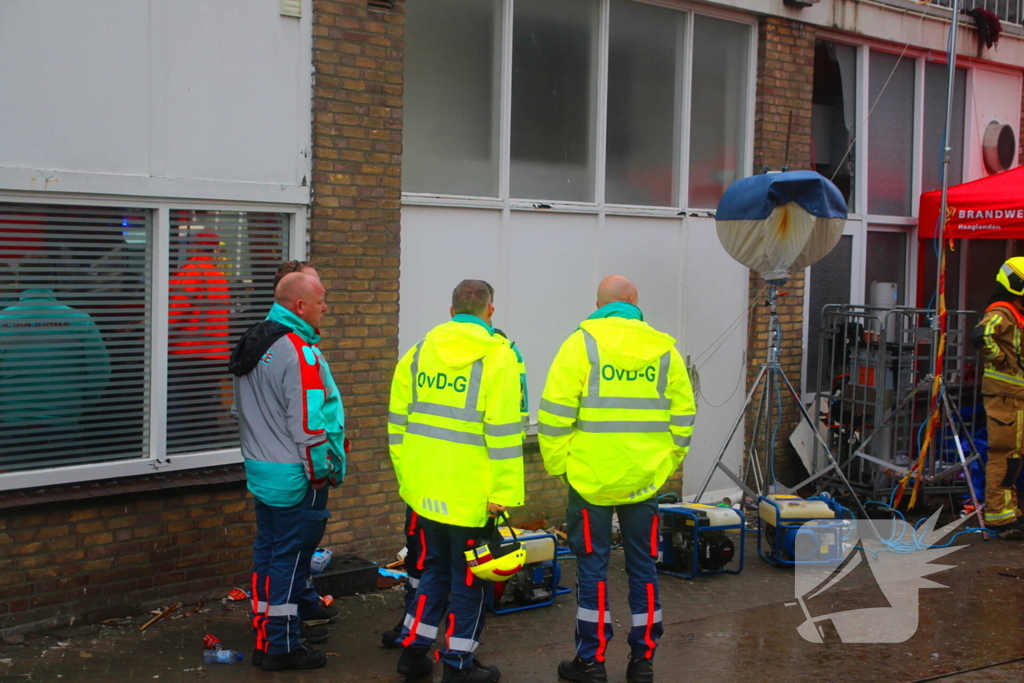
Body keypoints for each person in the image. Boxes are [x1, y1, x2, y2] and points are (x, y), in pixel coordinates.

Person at [538, 275, 696, 683]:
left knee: (592, 569)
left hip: (590, 482)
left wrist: (561, 468)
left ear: (599, 303)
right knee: (643, 567)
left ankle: (590, 662)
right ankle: (643, 661)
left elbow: (553, 416)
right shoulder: (664, 349)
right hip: (643, 481)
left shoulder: (580, 344)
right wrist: (666, 462)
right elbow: (684, 415)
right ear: (633, 300)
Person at [387, 279, 525, 683]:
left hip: (425, 490)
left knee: (432, 571)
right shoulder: (498, 358)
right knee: (470, 580)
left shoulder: (417, 354)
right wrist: (503, 494)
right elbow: (503, 435)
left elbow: (398, 424)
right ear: (490, 312)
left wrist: (407, 478)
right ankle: (457, 666)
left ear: (451, 311)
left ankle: (412, 652)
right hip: (471, 496)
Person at [229, 272, 346, 672]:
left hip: (263, 471)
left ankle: (266, 634)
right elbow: (309, 425)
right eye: (321, 300)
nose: (326, 307)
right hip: (297, 476)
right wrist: (320, 473)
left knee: (268, 556)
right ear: (300, 306)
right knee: (292, 562)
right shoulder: (299, 352)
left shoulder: (255, 342)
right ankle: (282, 646)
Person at [0, 287, 111, 467]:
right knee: (68, 487)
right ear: (52, 282)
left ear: (19, 283)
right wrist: (81, 405)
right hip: (62, 426)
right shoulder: (81, 321)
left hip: (10, 428)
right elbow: (100, 371)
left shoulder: (2, 320)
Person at [970, 257, 1024, 538]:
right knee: (1006, 455)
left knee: (1015, 455)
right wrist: (1002, 360)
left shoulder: (1016, 313)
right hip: (1005, 397)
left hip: (1015, 396)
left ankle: (1010, 512)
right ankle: (999, 518)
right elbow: (981, 337)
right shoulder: (1002, 311)